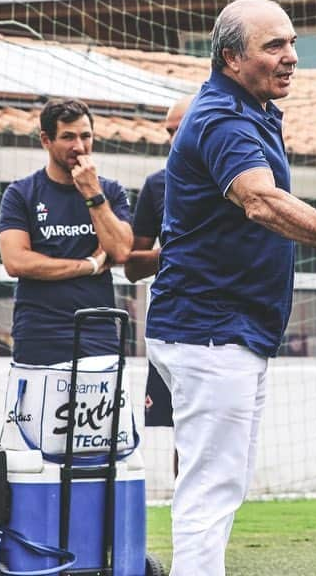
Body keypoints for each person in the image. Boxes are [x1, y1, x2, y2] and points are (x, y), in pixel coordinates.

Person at [145, 0, 316, 576]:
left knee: (219, 483)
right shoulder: (222, 118)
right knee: (210, 491)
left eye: (292, 43)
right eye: (274, 46)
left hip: (225, 334)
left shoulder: (251, 109)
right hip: (209, 335)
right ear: (232, 57)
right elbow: (261, 201)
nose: (292, 57)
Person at [0, 98, 134, 365]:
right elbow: (16, 262)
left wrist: (92, 193)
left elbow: (120, 250)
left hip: (97, 334)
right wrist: (89, 265)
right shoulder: (20, 193)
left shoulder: (111, 191)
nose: (79, 146)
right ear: (46, 140)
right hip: (38, 336)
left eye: (86, 136)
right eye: (68, 137)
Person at [124, 94, 193, 474]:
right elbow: (132, 267)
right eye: (169, 132)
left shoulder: (239, 177)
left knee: (217, 438)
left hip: (229, 328)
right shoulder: (158, 186)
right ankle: (186, 528)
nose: (173, 139)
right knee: (185, 431)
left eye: (180, 129)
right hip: (173, 325)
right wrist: (180, 253)